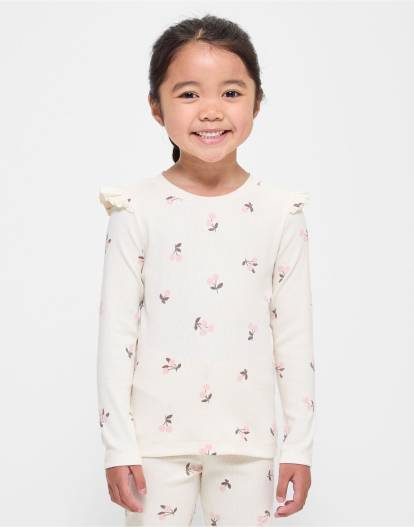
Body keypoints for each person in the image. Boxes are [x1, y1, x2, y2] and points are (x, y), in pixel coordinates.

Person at [96, 14, 316, 526]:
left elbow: (294, 337)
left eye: (231, 93)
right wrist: (118, 445)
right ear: (156, 107)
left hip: (248, 443)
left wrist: (299, 446)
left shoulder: (280, 212)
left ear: (257, 102)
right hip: (154, 445)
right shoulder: (135, 210)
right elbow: (116, 335)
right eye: (189, 94)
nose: (211, 111)